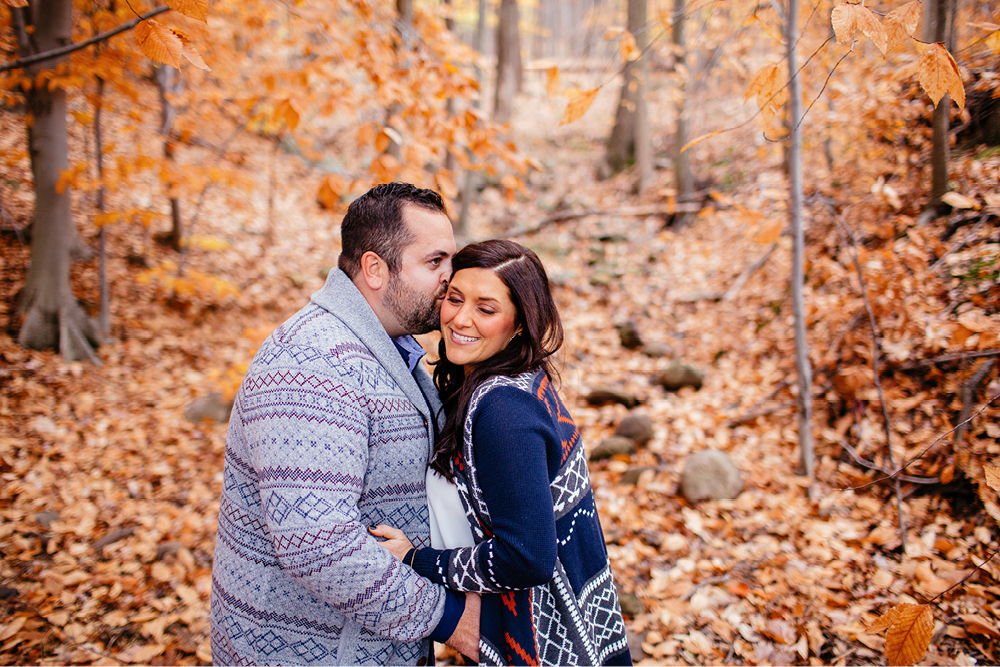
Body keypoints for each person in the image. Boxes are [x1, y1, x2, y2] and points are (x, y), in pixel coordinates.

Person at [210, 182, 480, 665]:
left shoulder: (391, 348)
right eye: (434, 261)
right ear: (375, 268)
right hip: (304, 651)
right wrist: (453, 619)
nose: (450, 277)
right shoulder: (311, 362)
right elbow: (317, 543)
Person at [370, 240, 632, 666]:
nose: (460, 318)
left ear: (518, 325)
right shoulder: (517, 382)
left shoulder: (502, 411)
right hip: (578, 624)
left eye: (486, 309)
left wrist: (417, 561)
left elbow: (527, 558)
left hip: (546, 643)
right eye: (454, 298)